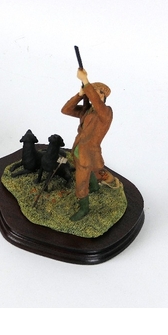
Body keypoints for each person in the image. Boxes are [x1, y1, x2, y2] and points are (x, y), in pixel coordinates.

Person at [61, 68, 117, 221]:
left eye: (100, 93)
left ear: (104, 97)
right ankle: (94, 186)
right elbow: (66, 110)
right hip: (78, 150)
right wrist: (80, 94)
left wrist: (86, 81)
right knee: (87, 171)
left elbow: (97, 103)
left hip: (89, 154)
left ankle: (84, 209)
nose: (97, 95)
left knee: (81, 181)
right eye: (95, 91)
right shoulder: (88, 111)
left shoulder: (106, 113)